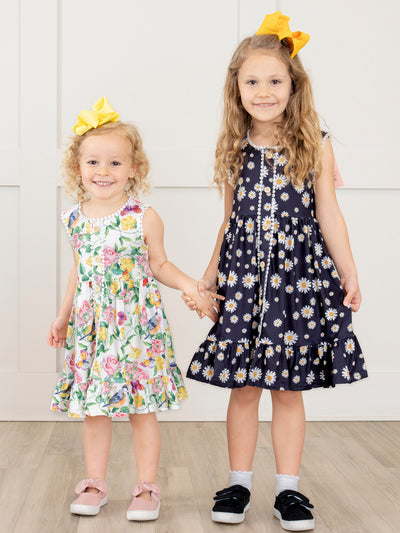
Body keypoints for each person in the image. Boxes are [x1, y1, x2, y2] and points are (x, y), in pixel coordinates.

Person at [184, 11, 367, 532]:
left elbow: (328, 213)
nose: (263, 92)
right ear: (236, 88)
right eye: (252, 82)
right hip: (244, 281)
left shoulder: (315, 142)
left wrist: (350, 271)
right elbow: (230, 222)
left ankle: (289, 489)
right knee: (244, 387)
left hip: (298, 283)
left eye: (274, 81)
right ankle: (238, 483)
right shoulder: (233, 147)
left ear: (294, 85)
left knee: (288, 389)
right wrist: (209, 277)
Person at [48, 97, 218, 521]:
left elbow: (160, 264)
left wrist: (193, 286)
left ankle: (146, 488)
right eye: (93, 162)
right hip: (93, 331)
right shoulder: (74, 219)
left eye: (115, 163)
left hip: (136, 329)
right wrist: (63, 316)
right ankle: (95, 482)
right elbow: (79, 271)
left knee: (142, 409)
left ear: (134, 169)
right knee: (94, 410)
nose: (103, 171)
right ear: (77, 168)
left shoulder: (143, 216)